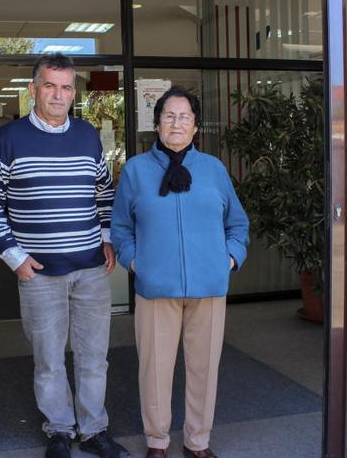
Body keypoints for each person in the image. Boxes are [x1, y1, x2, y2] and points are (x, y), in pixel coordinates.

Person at [0, 53, 129, 458]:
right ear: (33, 90)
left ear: (73, 92)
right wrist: (14, 256)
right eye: (50, 85)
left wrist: (106, 238)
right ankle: (59, 430)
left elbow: (102, 193)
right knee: (48, 359)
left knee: (94, 357)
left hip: (92, 270)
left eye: (66, 87)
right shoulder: (9, 139)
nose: (58, 94)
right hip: (39, 272)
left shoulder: (87, 135)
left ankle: (94, 430)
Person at [111, 87, 249, 458]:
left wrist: (229, 259)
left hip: (209, 288)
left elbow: (238, 224)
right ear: (156, 124)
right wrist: (137, 262)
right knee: (154, 372)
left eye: (184, 116)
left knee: (204, 370)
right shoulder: (137, 171)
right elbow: (120, 228)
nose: (176, 123)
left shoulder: (214, 170)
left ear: (195, 126)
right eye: (169, 116)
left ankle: (197, 441)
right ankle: (157, 440)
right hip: (156, 290)